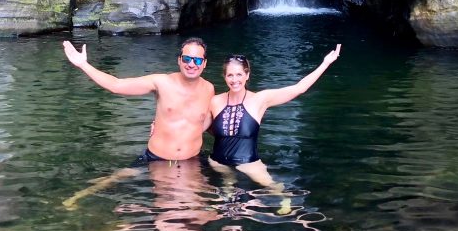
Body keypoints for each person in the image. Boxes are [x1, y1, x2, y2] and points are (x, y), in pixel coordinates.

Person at [62, 36, 215, 163]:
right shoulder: (161, 82)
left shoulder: (209, 89)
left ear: (205, 63)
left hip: (192, 161)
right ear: (179, 60)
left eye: (197, 60)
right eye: (187, 59)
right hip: (158, 159)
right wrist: (83, 64)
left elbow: (207, 120)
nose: (191, 64)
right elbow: (117, 85)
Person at [208, 45, 341, 188]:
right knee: (223, 198)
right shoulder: (215, 101)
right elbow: (200, 125)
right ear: (224, 77)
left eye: (239, 74)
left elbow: (299, 88)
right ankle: (229, 182)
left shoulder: (260, 99)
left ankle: (286, 201)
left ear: (247, 75)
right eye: (230, 75)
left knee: (275, 189)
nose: (235, 80)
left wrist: (326, 63)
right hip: (218, 164)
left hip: (249, 163)